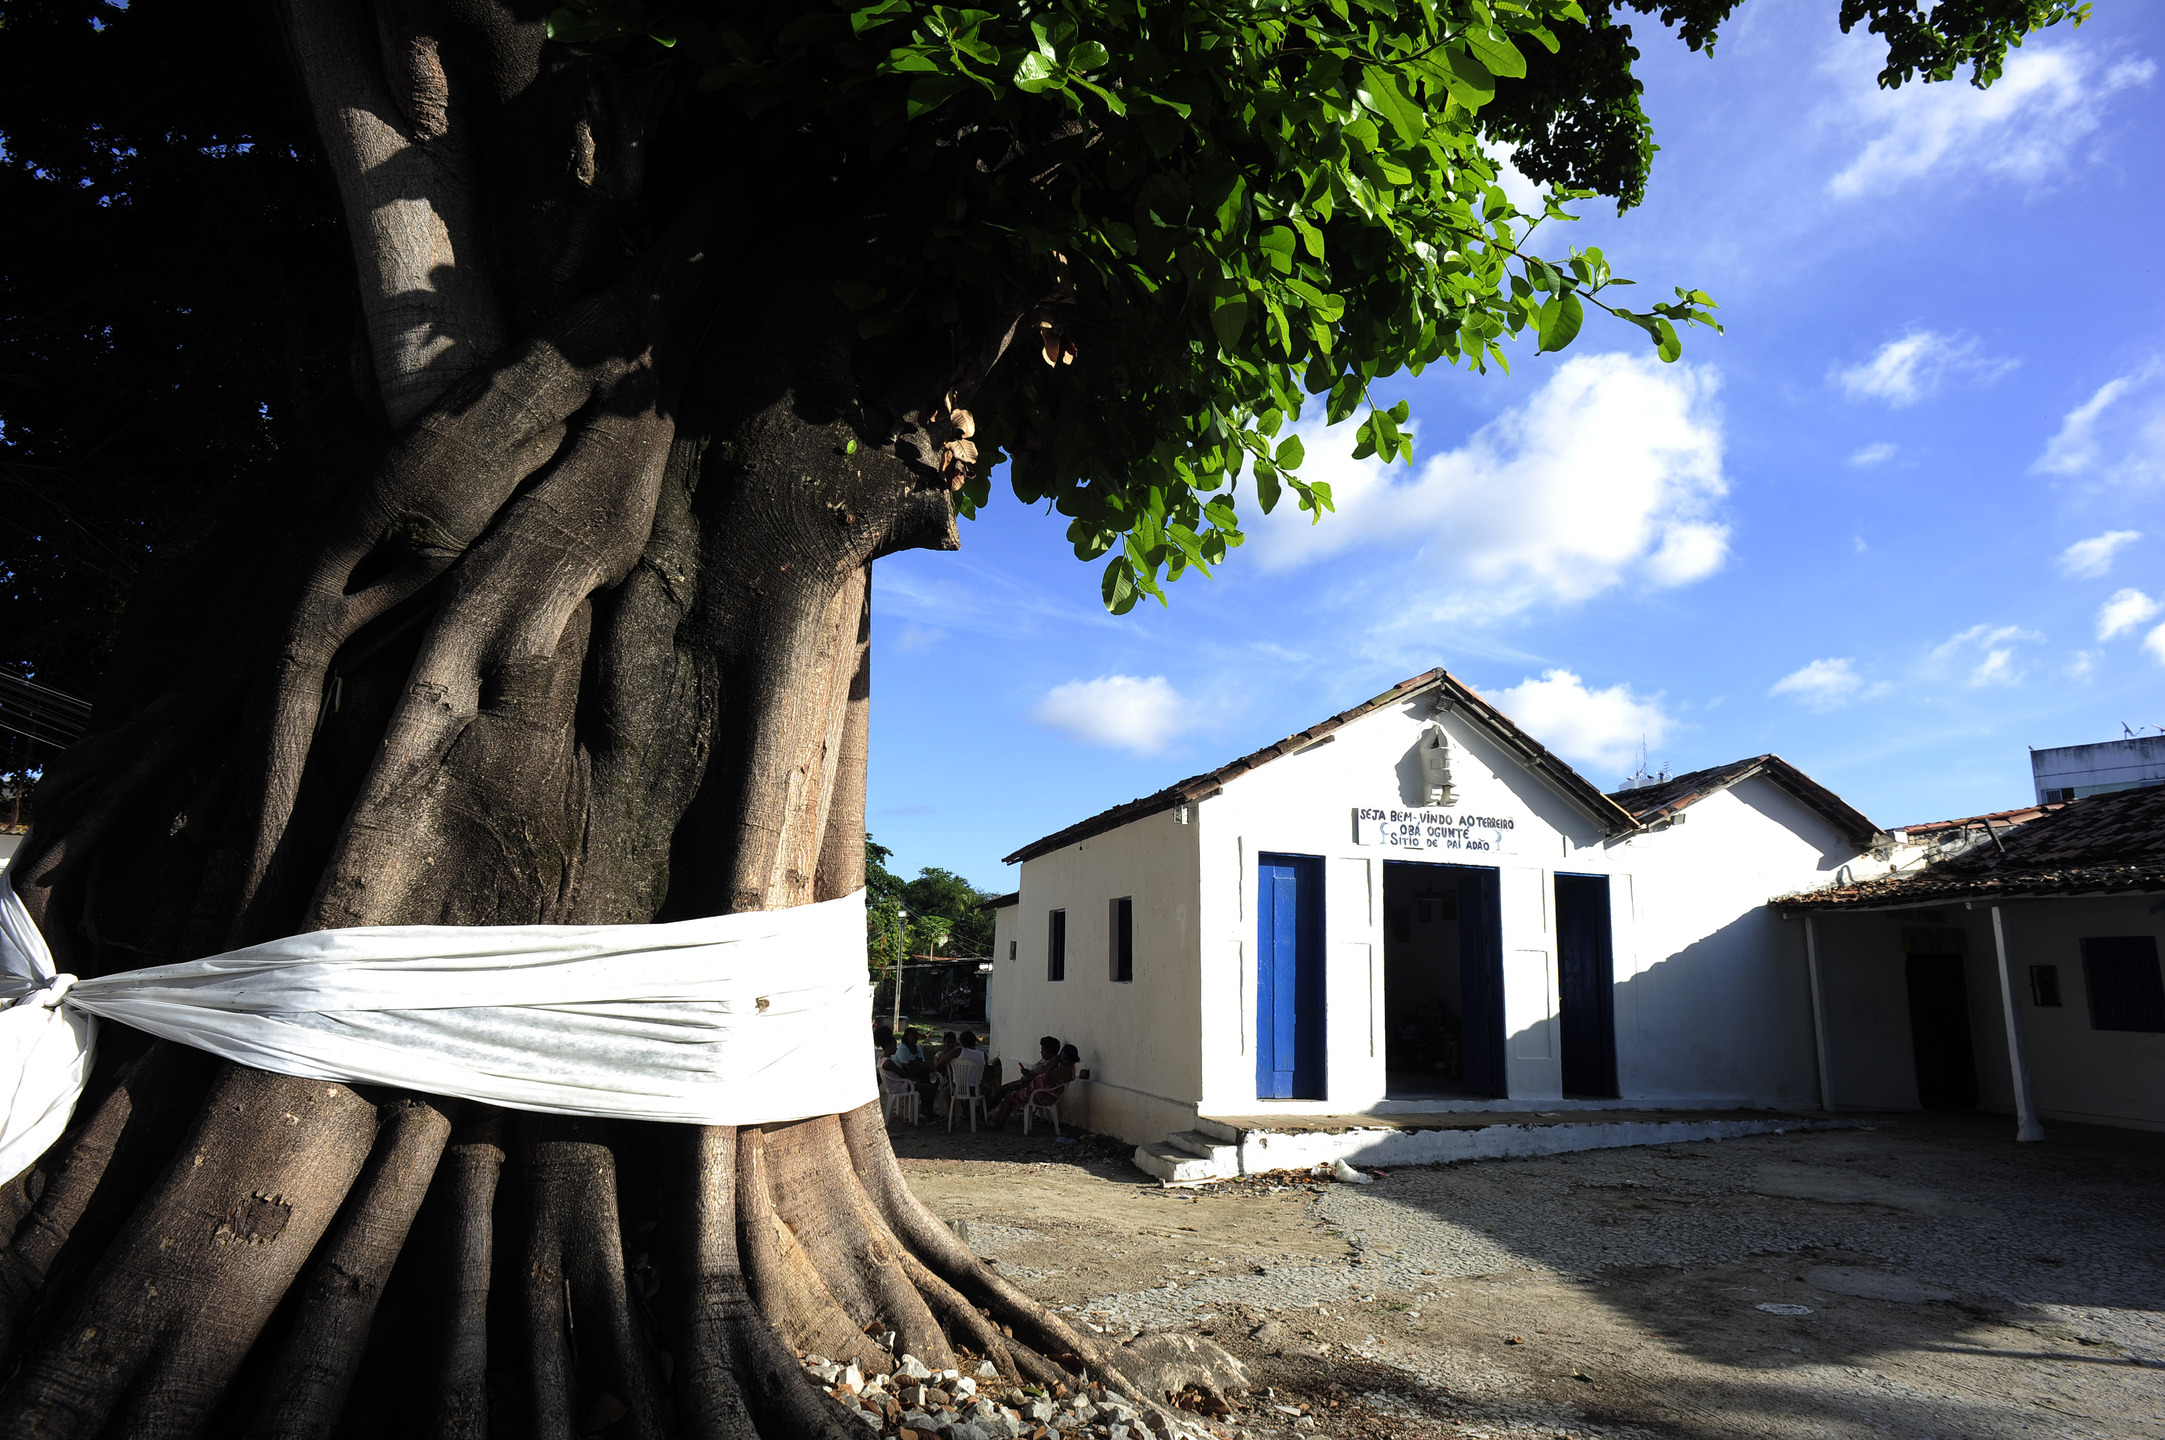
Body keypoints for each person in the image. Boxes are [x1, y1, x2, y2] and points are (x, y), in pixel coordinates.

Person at [988, 1042, 1077, 1129]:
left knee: (1010, 1096)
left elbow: (1046, 1078)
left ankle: (998, 1123)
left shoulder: (1064, 1069)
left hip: (1042, 1095)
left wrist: (1053, 1064)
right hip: (1039, 1092)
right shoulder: (1066, 1068)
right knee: (1007, 1093)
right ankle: (996, 1120)